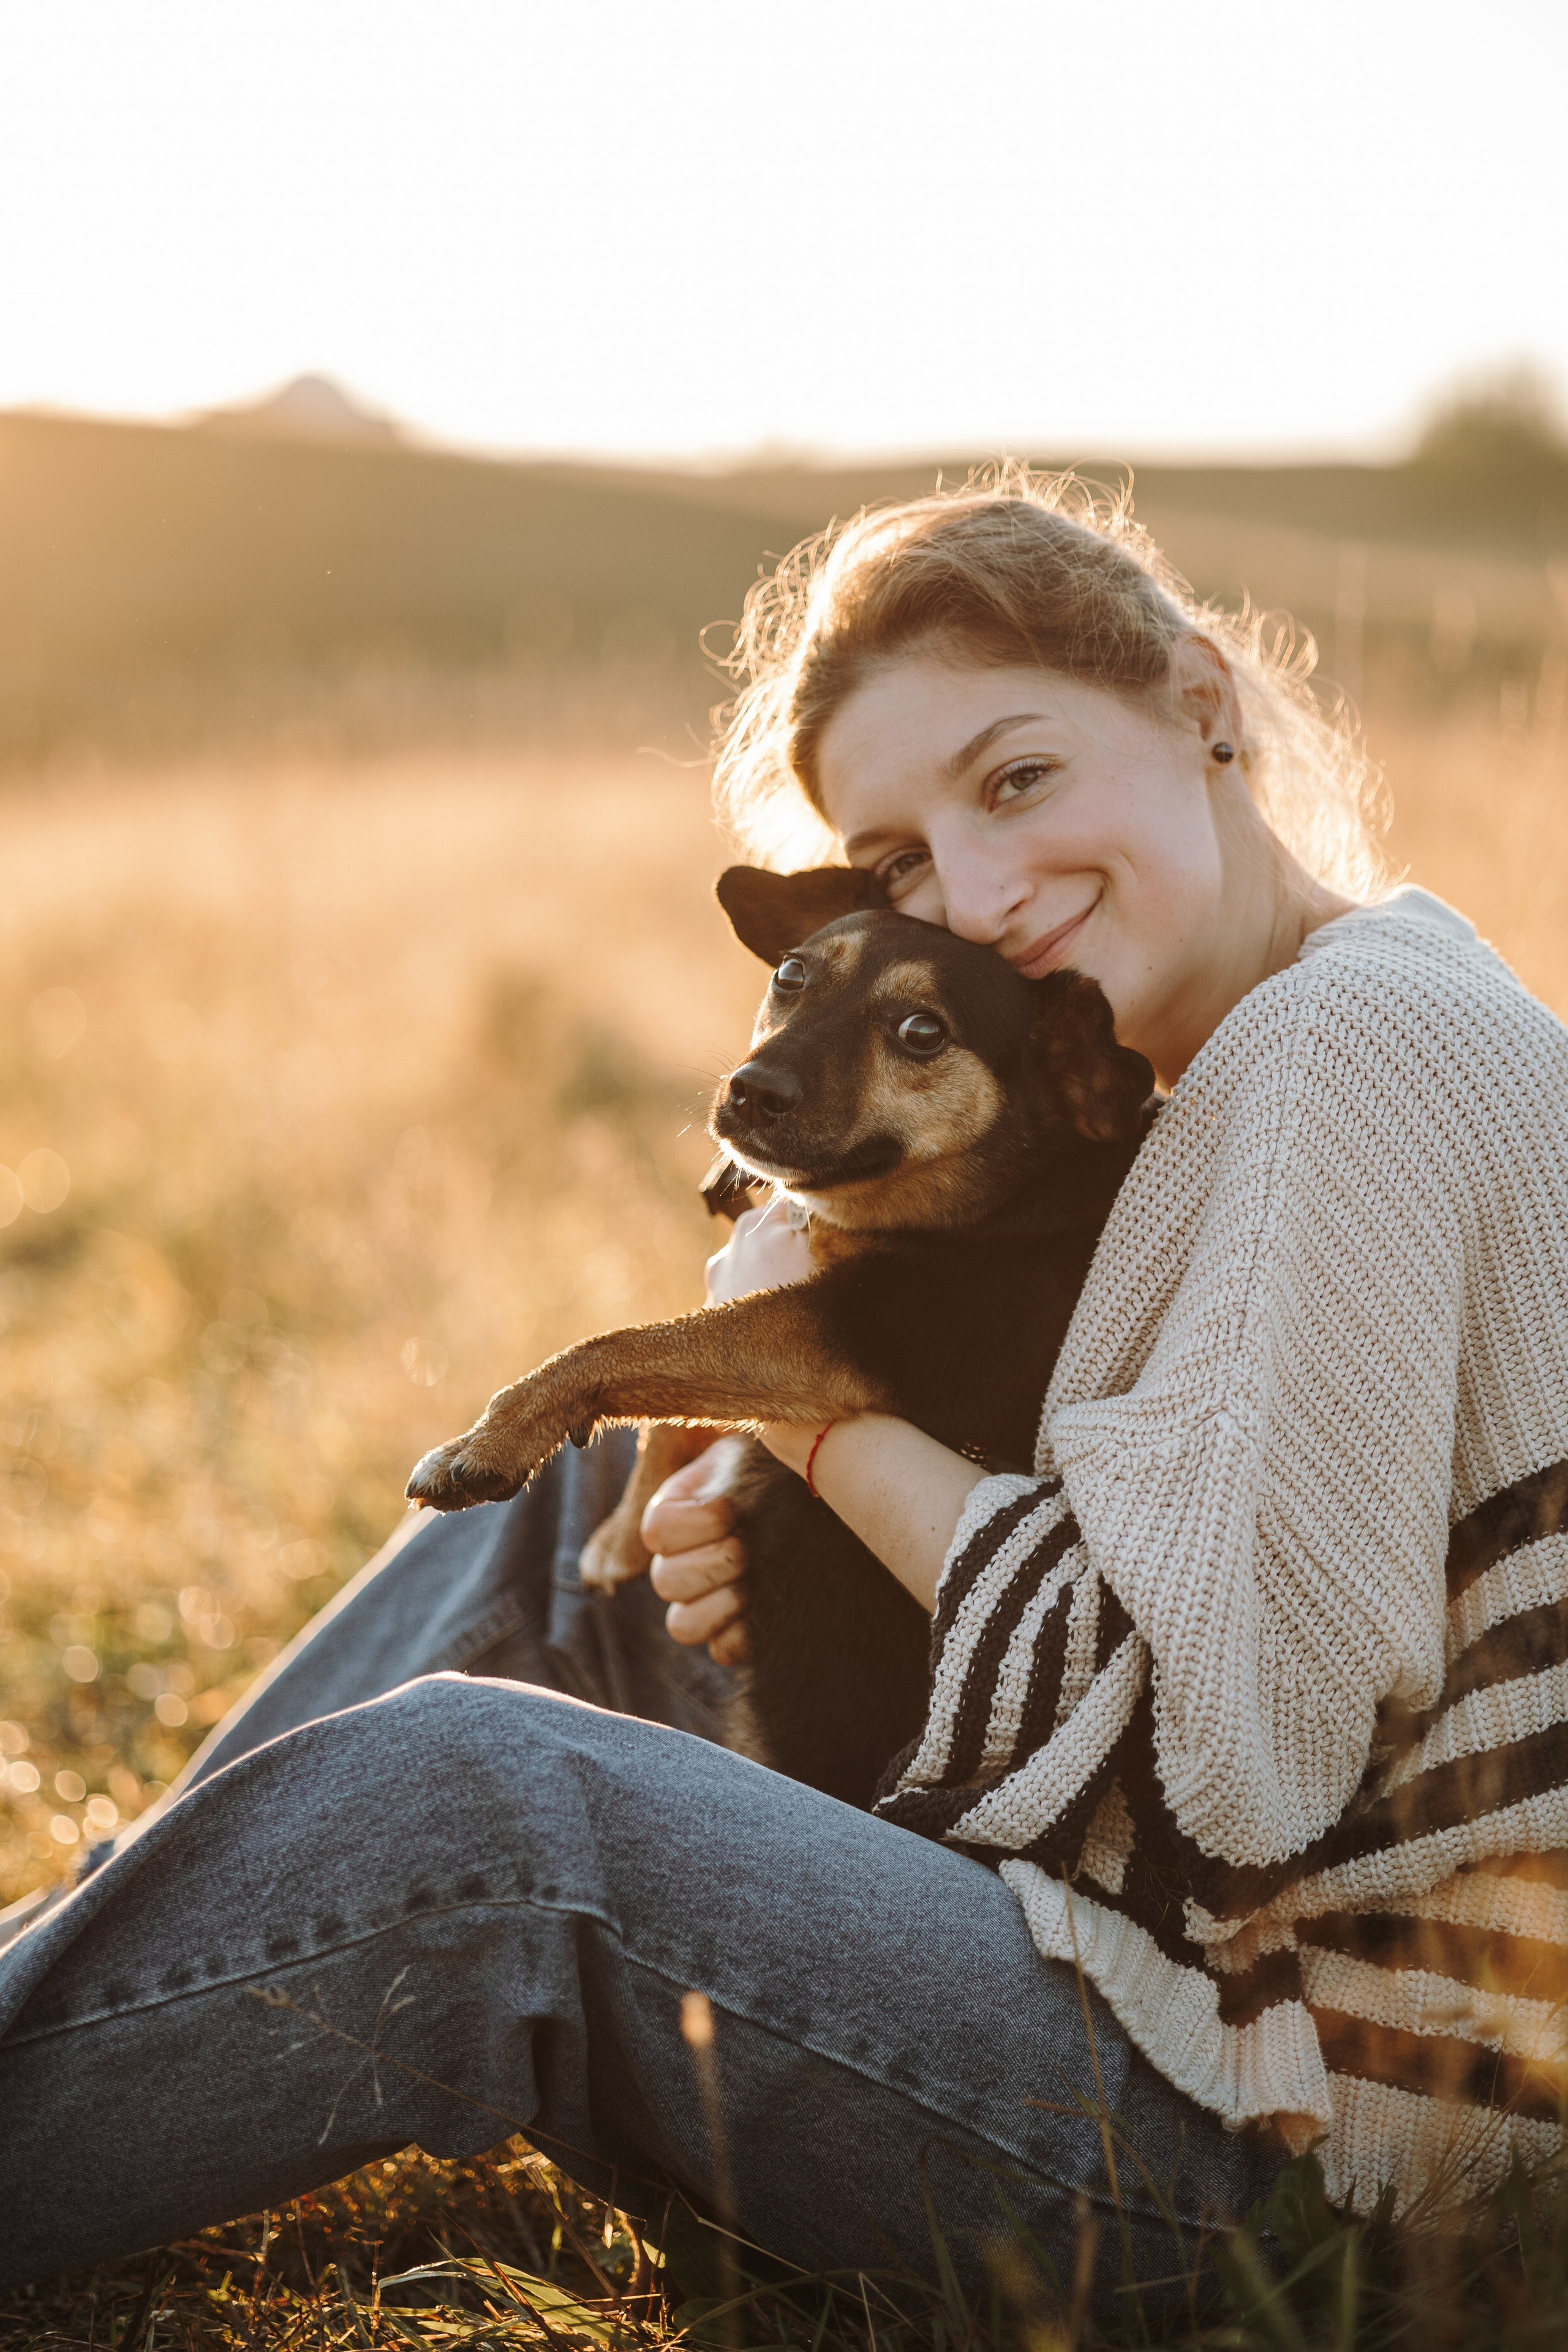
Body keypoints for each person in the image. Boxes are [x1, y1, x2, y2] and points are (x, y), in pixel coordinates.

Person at [3, 474, 1566, 2304]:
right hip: (1198, 2007)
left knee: (495, 1798)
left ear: (1204, 705)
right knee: (591, 1498)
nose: (973, 895)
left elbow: (1217, 1778)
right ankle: (87, 1971)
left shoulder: (1347, 1055)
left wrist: (814, 1431)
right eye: (898, 859)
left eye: (1020, 779)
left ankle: (72, 2016)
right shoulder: (1247, 1051)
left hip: (1284, 2149)